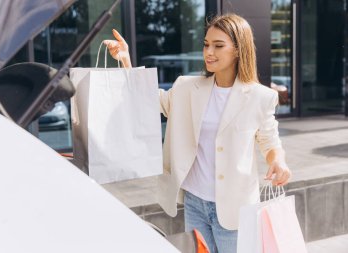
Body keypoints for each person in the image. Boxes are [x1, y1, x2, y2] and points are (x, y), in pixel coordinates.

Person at [104, 13, 291, 253]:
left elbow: (269, 139)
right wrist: (125, 61)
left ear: (238, 50)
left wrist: (278, 161)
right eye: (206, 45)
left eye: (218, 45)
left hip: (235, 207)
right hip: (194, 202)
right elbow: (151, 100)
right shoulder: (186, 87)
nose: (209, 52)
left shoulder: (260, 97)